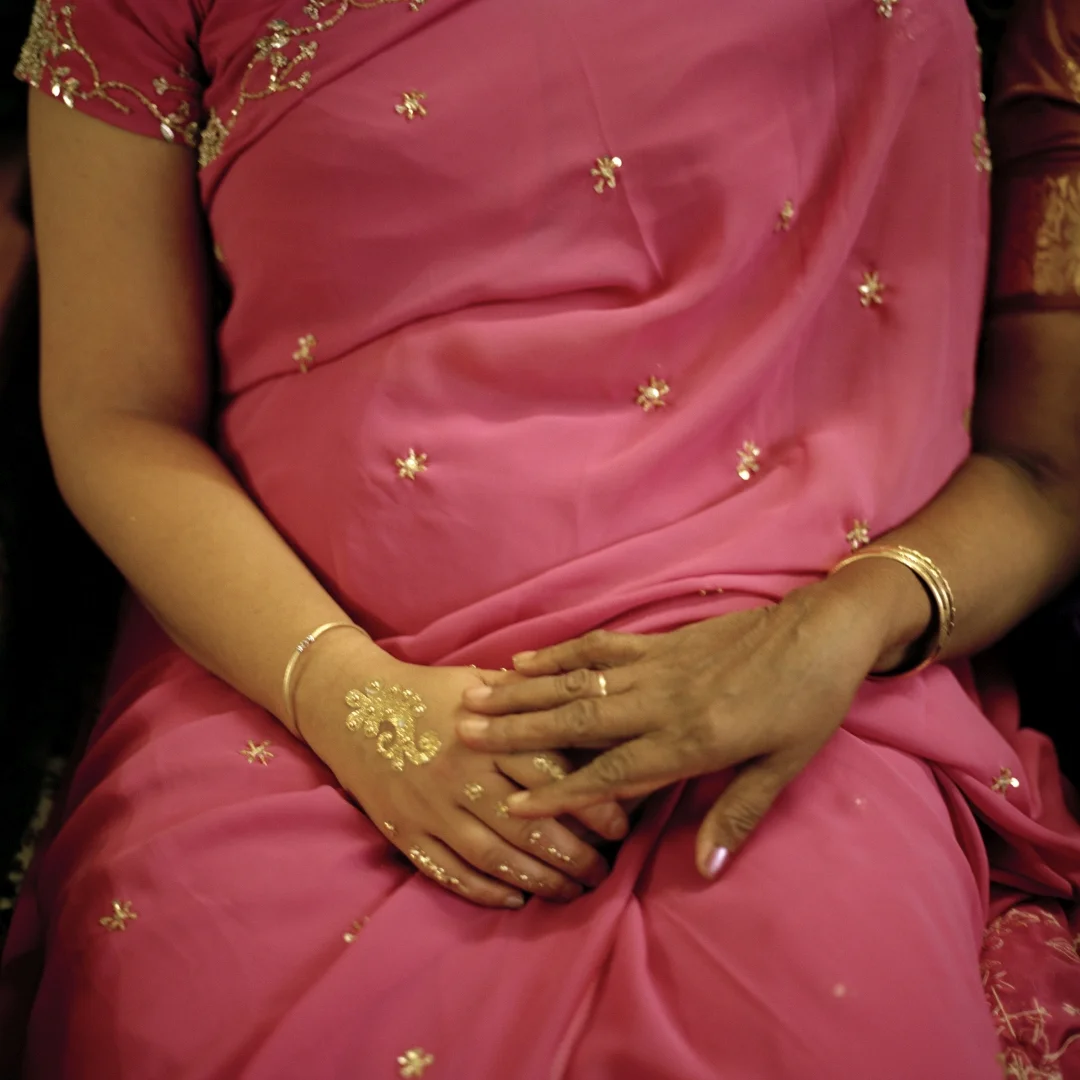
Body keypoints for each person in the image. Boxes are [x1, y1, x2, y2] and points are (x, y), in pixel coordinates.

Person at [2, 0, 1080, 1075]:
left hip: (783, 696)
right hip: (289, 660)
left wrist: (831, 634)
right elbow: (120, 411)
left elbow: (1049, 469)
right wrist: (352, 701)